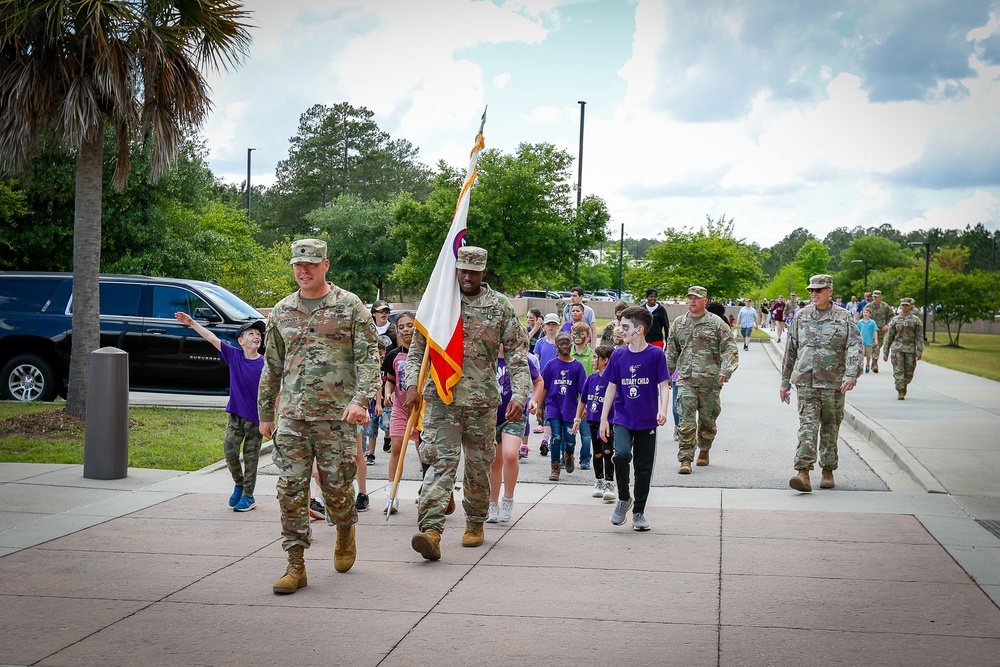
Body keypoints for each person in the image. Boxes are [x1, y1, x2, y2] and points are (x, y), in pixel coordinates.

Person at [258, 238, 380, 594]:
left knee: (337, 489)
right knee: (290, 489)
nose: (304, 270)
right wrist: (266, 411)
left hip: (337, 418)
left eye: (311, 264)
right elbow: (272, 366)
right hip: (293, 417)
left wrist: (360, 399)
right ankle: (296, 564)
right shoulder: (281, 311)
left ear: (326, 265)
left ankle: (345, 525)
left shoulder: (348, 305)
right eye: (298, 264)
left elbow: (370, 357)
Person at [404, 246, 530, 561]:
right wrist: (410, 385)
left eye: (474, 271)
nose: (468, 277)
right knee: (439, 462)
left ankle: (475, 521)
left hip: (481, 403)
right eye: (463, 270)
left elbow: (517, 354)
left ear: (484, 271)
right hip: (441, 399)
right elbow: (418, 349)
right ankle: (431, 530)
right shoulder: (439, 303)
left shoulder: (499, 306)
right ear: (456, 269)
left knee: (478, 466)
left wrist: (520, 394)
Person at [779, 274, 862, 493]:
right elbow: (791, 349)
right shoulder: (801, 316)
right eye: (811, 291)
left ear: (830, 291)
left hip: (834, 383)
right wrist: (785, 381)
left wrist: (851, 375)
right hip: (806, 382)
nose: (814, 294)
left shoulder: (844, 317)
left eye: (819, 290)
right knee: (808, 426)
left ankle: (828, 469)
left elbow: (854, 347)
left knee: (830, 427)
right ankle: (803, 472)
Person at [173, 313, 264, 512]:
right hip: (236, 416)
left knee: (251, 459)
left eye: (259, 334)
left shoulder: (265, 363)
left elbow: (277, 388)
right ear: (241, 341)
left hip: (257, 420)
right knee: (230, 453)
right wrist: (192, 323)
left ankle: (249, 496)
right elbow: (212, 338)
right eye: (251, 333)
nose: (256, 336)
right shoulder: (234, 356)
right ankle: (239, 484)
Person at [599, 306, 670, 531]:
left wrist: (663, 409)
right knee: (620, 455)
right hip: (622, 417)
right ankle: (623, 498)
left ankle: (639, 511)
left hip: (647, 420)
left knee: (643, 467)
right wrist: (603, 419)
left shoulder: (656, 354)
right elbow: (610, 387)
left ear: (639, 330)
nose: (621, 330)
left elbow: (664, 385)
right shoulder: (619, 354)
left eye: (625, 326)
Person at [666, 288, 739, 474]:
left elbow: (729, 347)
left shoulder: (716, 323)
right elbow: (671, 351)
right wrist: (667, 374)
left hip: (710, 382)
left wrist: (726, 370)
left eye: (696, 298)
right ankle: (685, 458)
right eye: (689, 298)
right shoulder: (679, 323)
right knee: (685, 420)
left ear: (705, 300)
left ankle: (704, 449)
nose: (692, 301)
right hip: (685, 380)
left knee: (708, 421)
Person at [487, 344, 543, 523]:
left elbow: (538, 381)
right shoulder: (486, 357)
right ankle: (492, 503)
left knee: (510, 455)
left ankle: (508, 499)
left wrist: (533, 400)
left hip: (515, 414)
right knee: (494, 462)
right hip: (490, 416)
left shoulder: (522, 359)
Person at [538, 331, 587, 480]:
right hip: (553, 407)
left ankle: (569, 454)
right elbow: (544, 387)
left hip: (570, 408)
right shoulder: (551, 365)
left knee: (569, 438)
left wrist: (583, 408)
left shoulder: (577, 366)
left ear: (571, 345)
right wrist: (539, 406)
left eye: (567, 343)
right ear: (556, 347)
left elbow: (582, 391)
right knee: (556, 437)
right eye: (561, 344)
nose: (564, 347)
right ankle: (555, 467)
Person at [382, 312, 418, 515]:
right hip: (400, 408)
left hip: (421, 411)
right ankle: (392, 495)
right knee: (397, 447)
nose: (406, 329)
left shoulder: (424, 354)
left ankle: (426, 492)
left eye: (410, 325)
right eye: (402, 326)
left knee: (424, 451)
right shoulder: (393, 355)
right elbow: (391, 379)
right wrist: (387, 394)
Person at [573, 344, 617, 502]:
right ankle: (599, 481)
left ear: (605, 360)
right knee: (597, 452)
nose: (593, 360)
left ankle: (610, 483)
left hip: (609, 422)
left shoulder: (613, 381)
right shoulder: (591, 378)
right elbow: (582, 400)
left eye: (595, 357)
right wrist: (577, 419)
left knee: (608, 452)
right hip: (592, 421)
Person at [883, 298, 924, 400]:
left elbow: (919, 337)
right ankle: (900, 390)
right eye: (903, 305)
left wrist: (919, 350)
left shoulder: (916, 320)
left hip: (910, 350)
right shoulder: (895, 320)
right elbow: (889, 337)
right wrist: (885, 352)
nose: (904, 307)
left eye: (906, 305)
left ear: (910, 306)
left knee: (909, 372)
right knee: (898, 370)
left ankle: (904, 385)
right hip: (897, 349)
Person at [534, 313, 561, 454]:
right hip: (543, 382)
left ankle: (546, 438)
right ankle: (547, 437)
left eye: (553, 324)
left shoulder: (561, 342)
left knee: (551, 411)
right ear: (544, 326)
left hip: (557, 382)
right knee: (543, 410)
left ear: (558, 326)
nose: (551, 327)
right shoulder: (540, 343)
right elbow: (536, 362)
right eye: (548, 324)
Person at [569, 321, 595, 470]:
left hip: (586, 401)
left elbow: (593, 380)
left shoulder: (591, 356)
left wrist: (586, 404)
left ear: (588, 337)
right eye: (575, 334)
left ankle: (585, 458)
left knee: (586, 434)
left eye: (582, 335)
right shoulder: (568, 354)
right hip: (569, 401)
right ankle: (568, 455)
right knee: (569, 433)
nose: (578, 337)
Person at [866, 290, 895, 373]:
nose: (875, 298)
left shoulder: (885, 306)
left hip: (881, 330)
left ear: (880, 297)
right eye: (874, 296)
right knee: (873, 346)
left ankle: (874, 362)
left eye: (877, 297)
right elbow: (862, 316)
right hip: (870, 330)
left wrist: (888, 325)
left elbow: (892, 316)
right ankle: (874, 363)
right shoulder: (869, 306)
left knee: (878, 345)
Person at [856, 307, 879, 373]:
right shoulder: (860, 322)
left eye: (867, 312)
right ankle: (861, 366)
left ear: (870, 314)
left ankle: (868, 364)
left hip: (869, 341)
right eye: (864, 312)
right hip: (861, 341)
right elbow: (857, 331)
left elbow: (875, 331)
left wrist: (876, 339)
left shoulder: (872, 322)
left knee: (868, 355)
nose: (865, 314)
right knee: (861, 354)